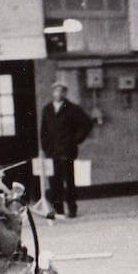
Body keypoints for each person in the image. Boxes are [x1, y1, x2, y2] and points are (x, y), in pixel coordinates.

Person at [39, 81, 94, 218]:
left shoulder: (72, 109)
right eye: (55, 91)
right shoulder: (47, 110)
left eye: (61, 91)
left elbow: (87, 123)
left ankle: (72, 208)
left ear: (64, 93)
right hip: (52, 152)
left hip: (67, 151)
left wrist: (75, 140)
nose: (58, 93)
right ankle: (58, 210)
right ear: (53, 92)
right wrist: (46, 147)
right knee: (54, 181)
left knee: (69, 181)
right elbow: (43, 130)